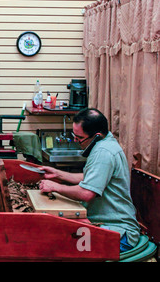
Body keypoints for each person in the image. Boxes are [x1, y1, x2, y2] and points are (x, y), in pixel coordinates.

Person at [39, 108, 140, 252]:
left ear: (97, 135)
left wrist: (55, 187)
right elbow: (90, 178)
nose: (76, 141)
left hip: (119, 233)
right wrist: (57, 174)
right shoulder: (106, 142)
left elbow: (86, 193)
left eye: (79, 138)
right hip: (107, 223)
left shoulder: (103, 152)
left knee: (59, 246)